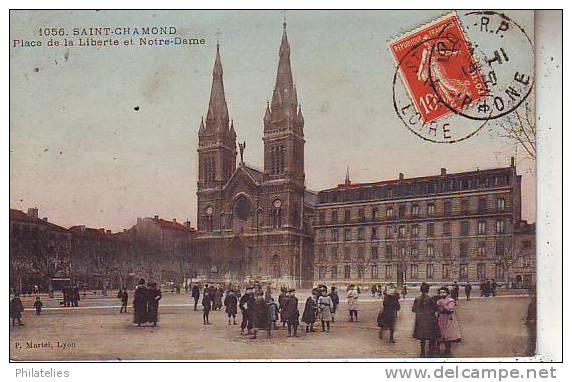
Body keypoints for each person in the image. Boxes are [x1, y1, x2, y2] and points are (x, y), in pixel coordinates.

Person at [412, 283, 440, 357]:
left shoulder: (417, 299)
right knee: (432, 336)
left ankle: (422, 352)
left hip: (420, 320)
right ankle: (431, 352)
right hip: (430, 320)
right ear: (428, 290)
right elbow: (435, 308)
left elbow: (413, 310)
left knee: (422, 338)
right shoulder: (430, 299)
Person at [436, 287, 462, 357]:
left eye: (443, 292)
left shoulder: (451, 300)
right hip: (441, 318)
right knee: (440, 333)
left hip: (448, 319)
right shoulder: (438, 300)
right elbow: (437, 309)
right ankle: (438, 349)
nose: (442, 294)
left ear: (447, 293)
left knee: (448, 334)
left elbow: (450, 309)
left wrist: (443, 305)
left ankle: (447, 350)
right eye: (441, 292)